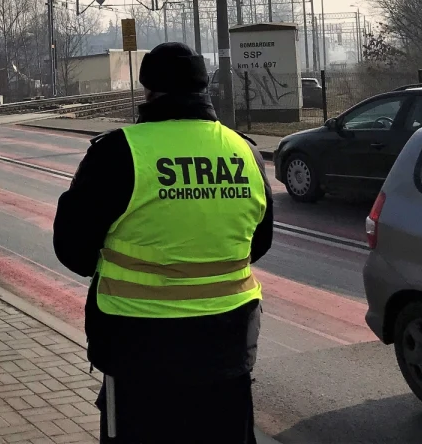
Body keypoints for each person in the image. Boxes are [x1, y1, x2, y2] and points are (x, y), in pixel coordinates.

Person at [53, 42, 274, 444]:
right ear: (205, 90)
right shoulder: (246, 152)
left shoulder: (119, 153)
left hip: (139, 351)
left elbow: (73, 249)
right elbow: (259, 243)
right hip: (228, 345)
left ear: (148, 92)